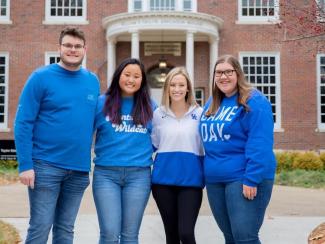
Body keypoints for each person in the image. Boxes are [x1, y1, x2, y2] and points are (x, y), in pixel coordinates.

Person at [14, 27, 100, 244]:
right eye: (68, 45)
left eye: (77, 46)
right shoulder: (41, 77)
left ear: (85, 49)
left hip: (79, 170)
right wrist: (25, 164)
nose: (73, 50)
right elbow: (23, 122)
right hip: (45, 166)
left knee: (65, 230)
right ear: (59, 48)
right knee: (40, 227)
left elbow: (94, 121)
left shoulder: (92, 81)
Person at [199, 55, 276, 244]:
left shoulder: (254, 101)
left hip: (243, 178)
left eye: (228, 72)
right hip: (215, 180)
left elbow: (260, 143)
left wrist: (252, 178)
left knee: (245, 238)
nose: (223, 77)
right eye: (218, 73)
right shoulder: (212, 103)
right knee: (230, 237)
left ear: (238, 74)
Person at [92, 58, 156, 244]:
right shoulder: (101, 103)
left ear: (142, 81)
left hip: (139, 176)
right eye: (127, 74)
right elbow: (84, 134)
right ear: (118, 76)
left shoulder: (150, 106)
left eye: (136, 76)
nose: (131, 79)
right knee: (110, 234)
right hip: (106, 175)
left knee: (130, 236)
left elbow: (161, 139)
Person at [151, 67, 204, 244]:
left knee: (186, 233)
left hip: (191, 183)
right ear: (167, 88)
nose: (177, 89)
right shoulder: (158, 114)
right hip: (162, 183)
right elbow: (152, 145)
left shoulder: (200, 113)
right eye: (172, 85)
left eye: (181, 84)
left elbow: (208, 146)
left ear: (188, 87)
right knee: (171, 236)